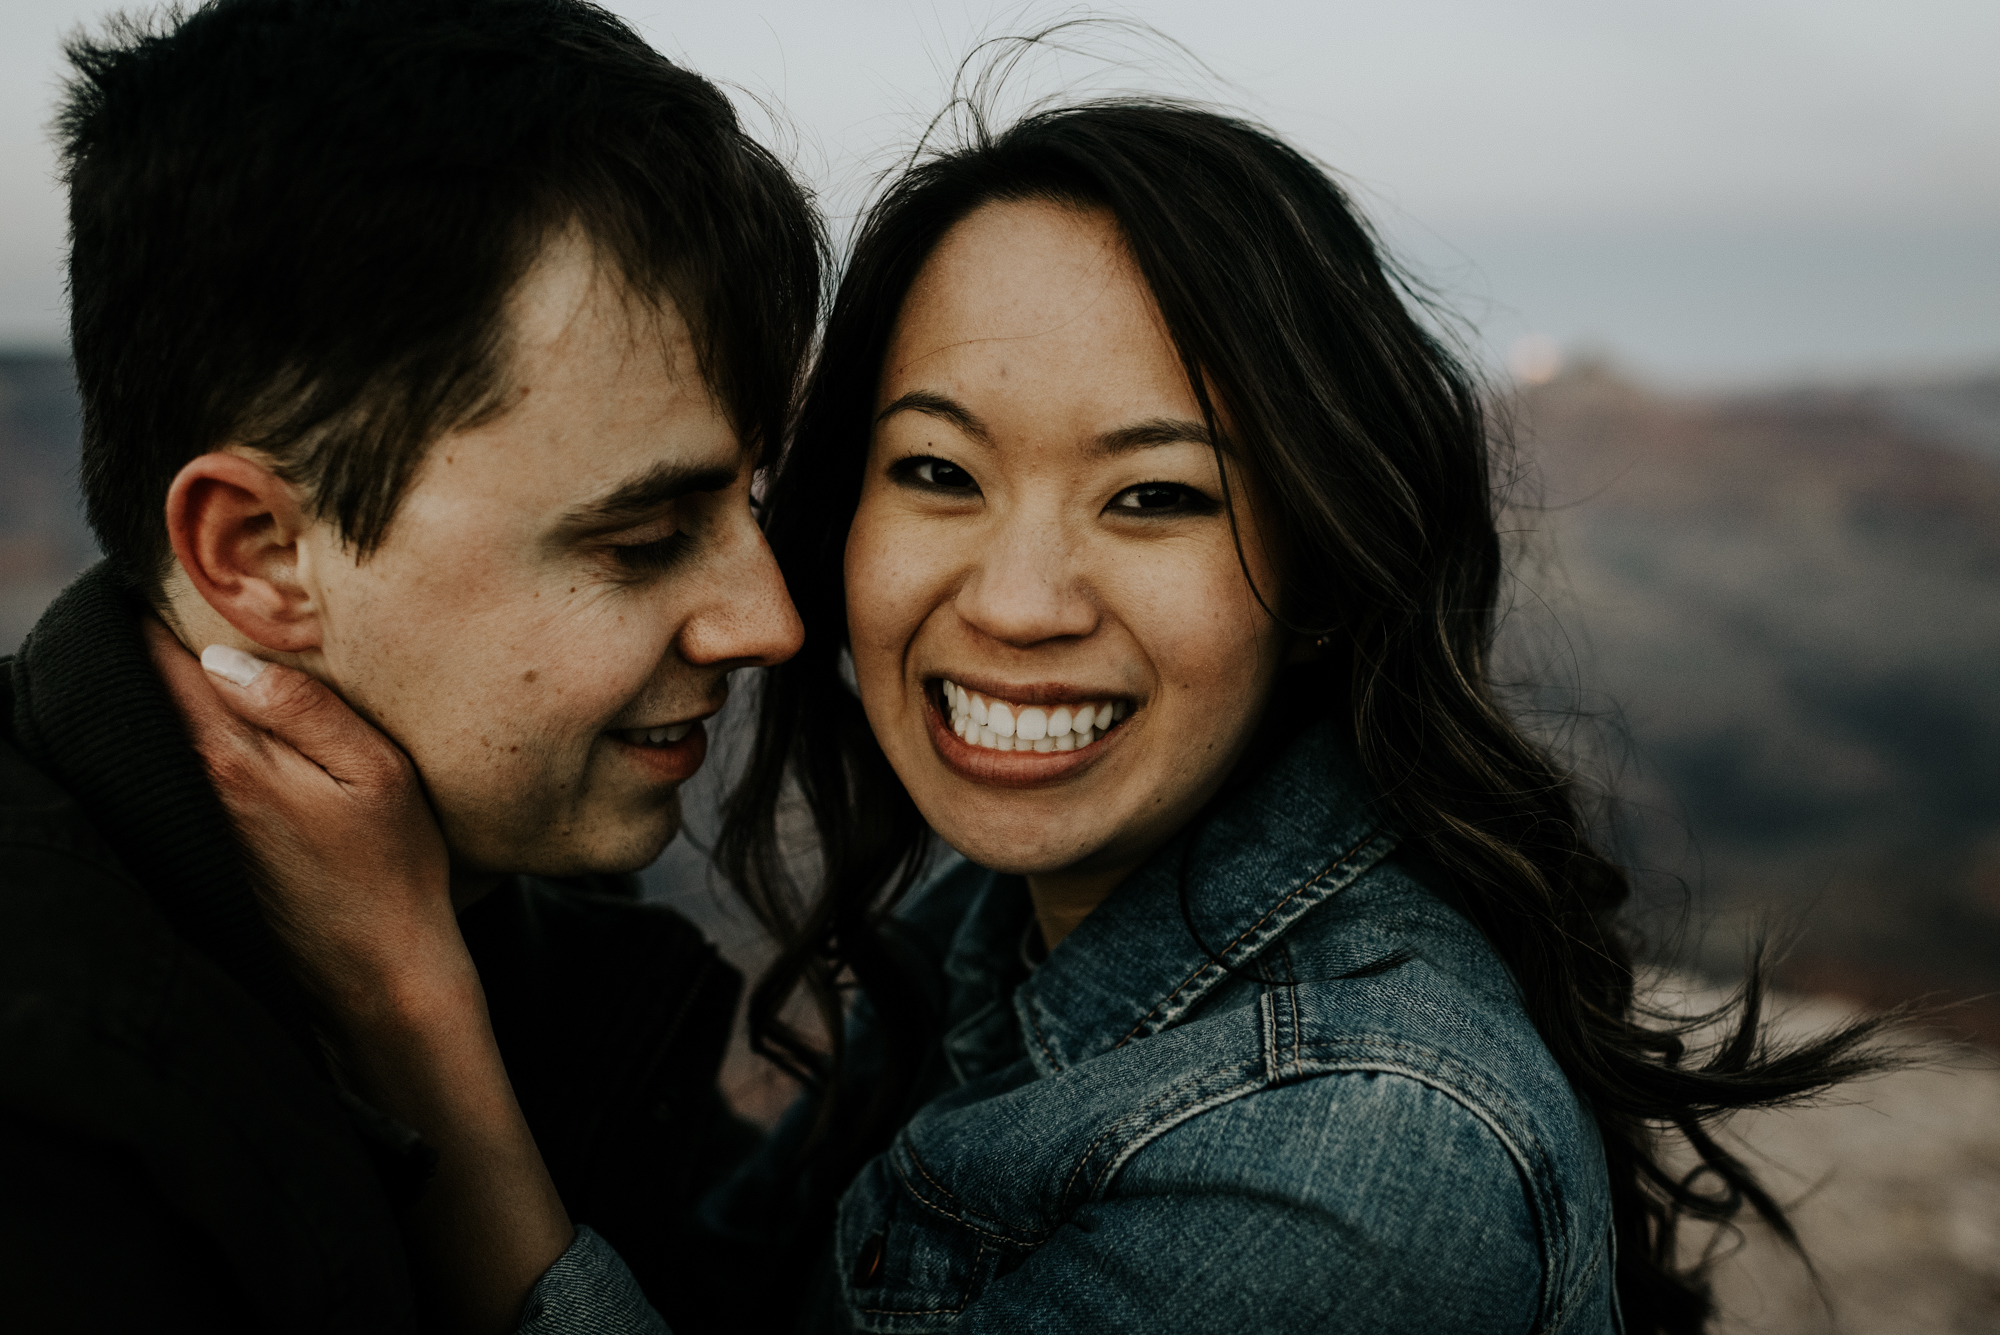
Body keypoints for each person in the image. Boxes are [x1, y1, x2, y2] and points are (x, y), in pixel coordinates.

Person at [166, 100, 1896, 1333]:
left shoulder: (1342, 1169)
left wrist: (410, 1009)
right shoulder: (1009, 911)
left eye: (1155, 499)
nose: (1015, 599)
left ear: (1336, 564)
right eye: (935, 473)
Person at [0, 1, 818, 1330]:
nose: (767, 621)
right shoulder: (55, 1143)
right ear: (258, 552)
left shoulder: (545, 951)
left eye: (753, 504)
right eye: (647, 536)